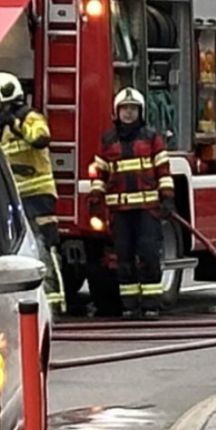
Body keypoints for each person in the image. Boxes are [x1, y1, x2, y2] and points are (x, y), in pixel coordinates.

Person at [0, 71, 66, 314]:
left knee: (45, 248)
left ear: (6, 95)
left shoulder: (29, 117)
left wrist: (14, 123)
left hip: (39, 196)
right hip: (16, 199)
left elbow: (41, 138)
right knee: (23, 253)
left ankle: (55, 303)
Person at [87, 87, 174, 320]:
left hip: (147, 211)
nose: (128, 113)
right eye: (124, 109)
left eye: (133, 109)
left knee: (148, 256)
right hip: (120, 212)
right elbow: (100, 173)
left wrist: (167, 197)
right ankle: (129, 306)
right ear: (117, 112)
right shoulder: (107, 140)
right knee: (123, 260)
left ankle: (151, 306)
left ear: (140, 112)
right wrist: (96, 198)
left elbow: (163, 171)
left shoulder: (151, 138)